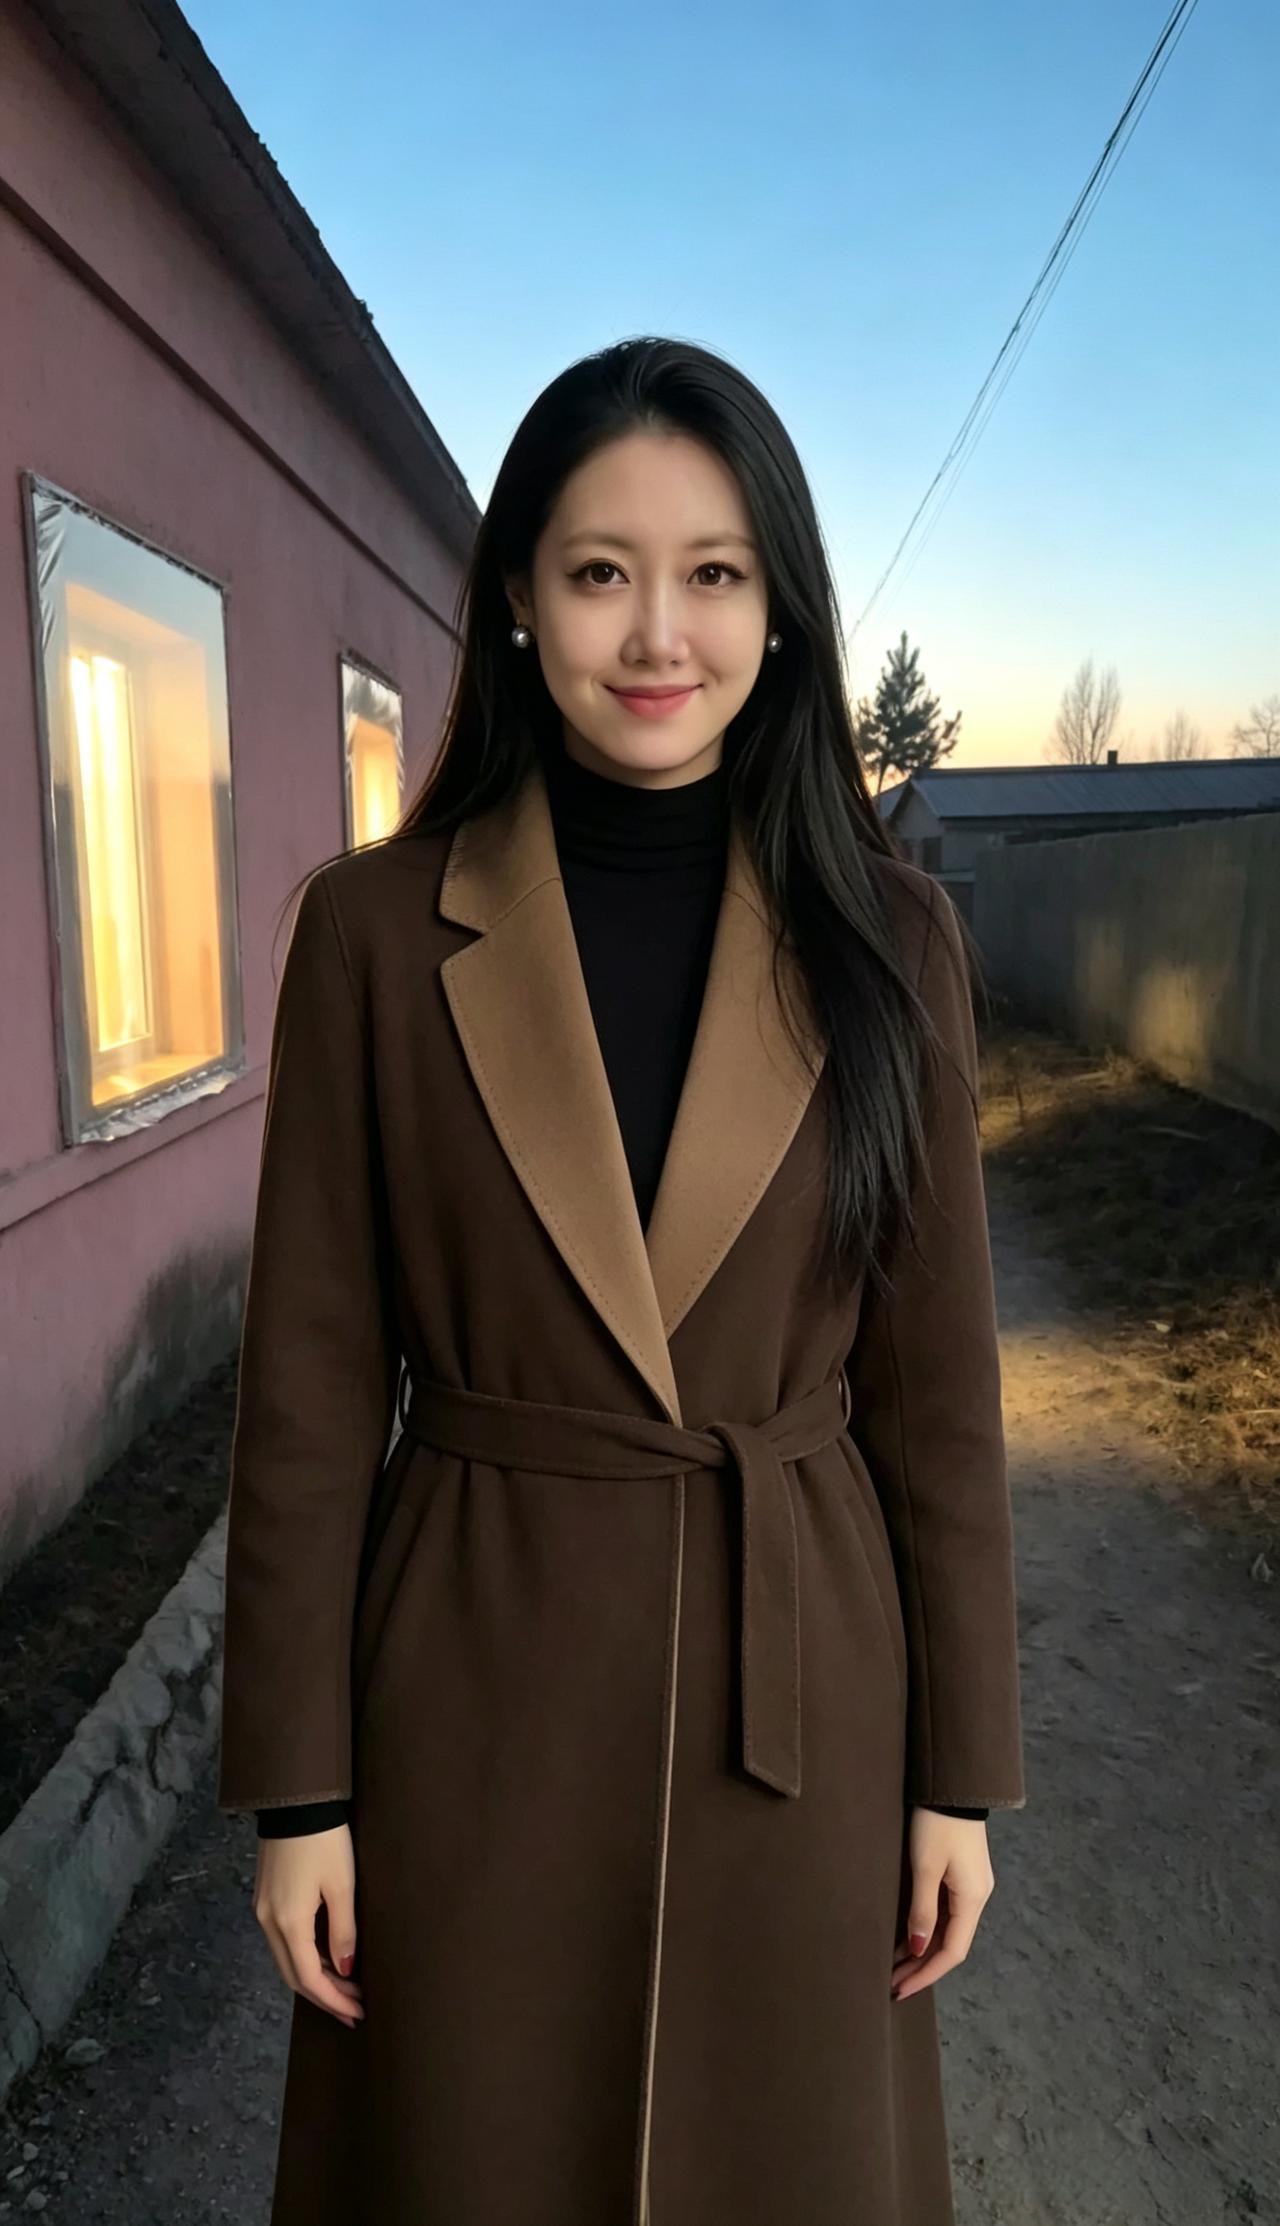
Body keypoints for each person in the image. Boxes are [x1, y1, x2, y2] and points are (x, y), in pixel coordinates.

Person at [217, 334, 1026, 2226]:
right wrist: (299, 1792)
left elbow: (939, 1399)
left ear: (781, 606)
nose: (659, 632)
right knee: (470, 2151)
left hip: (802, 1696)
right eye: (600, 570)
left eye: (715, 572)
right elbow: (309, 1389)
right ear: (518, 594)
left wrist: (959, 1774)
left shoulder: (891, 940)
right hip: (472, 1685)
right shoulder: (372, 933)